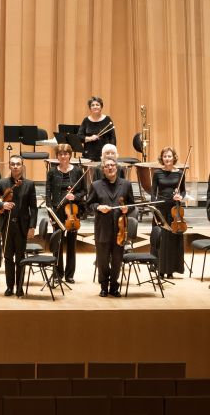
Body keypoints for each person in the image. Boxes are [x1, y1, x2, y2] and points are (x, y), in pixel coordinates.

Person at [87, 158, 135, 297]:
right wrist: (98, 207)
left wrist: (127, 209)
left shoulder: (126, 184)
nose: (110, 168)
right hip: (103, 228)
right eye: (107, 166)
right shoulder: (96, 185)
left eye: (112, 165)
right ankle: (103, 286)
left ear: (116, 167)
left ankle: (114, 286)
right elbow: (89, 205)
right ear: (103, 169)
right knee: (102, 259)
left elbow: (132, 204)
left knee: (117, 260)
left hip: (120, 229)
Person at [47, 143, 86, 284]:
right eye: (60, 154)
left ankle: (69, 274)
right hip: (57, 211)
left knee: (71, 243)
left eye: (66, 154)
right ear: (57, 156)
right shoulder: (52, 172)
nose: (63, 156)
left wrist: (75, 196)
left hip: (72, 211)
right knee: (58, 242)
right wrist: (50, 211)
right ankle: (58, 273)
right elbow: (48, 193)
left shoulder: (78, 171)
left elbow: (84, 191)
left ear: (70, 155)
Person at [0, 156, 37, 297]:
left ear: (22, 166)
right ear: (9, 166)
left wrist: (32, 226)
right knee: (8, 258)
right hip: (7, 225)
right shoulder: (2, 183)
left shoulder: (29, 184)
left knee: (20, 258)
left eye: (18, 164)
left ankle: (19, 287)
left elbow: (33, 208)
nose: (15, 166)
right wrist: (2, 204)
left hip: (22, 226)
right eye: (13, 164)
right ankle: (9, 287)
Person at [150, 147, 186, 279]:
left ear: (174, 157)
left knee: (172, 239)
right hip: (161, 209)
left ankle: (170, 269)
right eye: (165, 156)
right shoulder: (157, 173)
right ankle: (159, 269)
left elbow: (183, 191)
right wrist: (154, 206)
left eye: (169, 156)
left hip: (174, 210)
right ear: (162, 158)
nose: (167, 158)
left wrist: (180, 197)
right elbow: (153, 192)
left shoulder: (180, 173)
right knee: (161, 239)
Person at [77, 96, 115, 162]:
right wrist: (90, 138)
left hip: (104, 154)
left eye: (97, 105)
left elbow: (113, 139)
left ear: (101, 107)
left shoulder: (107, 120)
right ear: (90, 108)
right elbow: (79, 137)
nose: (95, 107)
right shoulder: (86, 120)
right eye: (93, 105)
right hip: (88, 154)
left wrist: (110, 153)